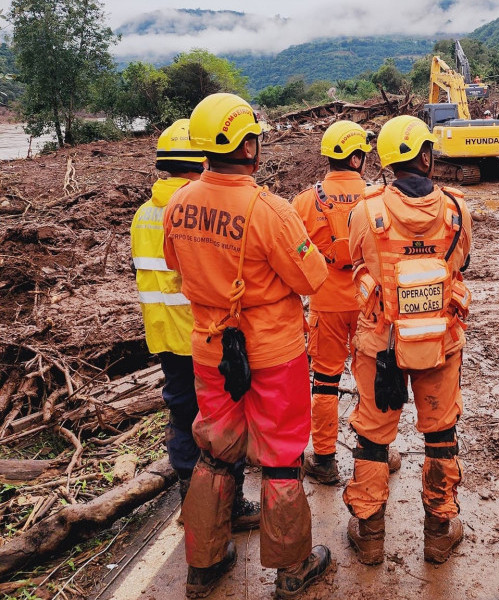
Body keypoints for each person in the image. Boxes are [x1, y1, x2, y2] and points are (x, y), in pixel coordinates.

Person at [162, 93, 332, 599]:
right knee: (281, 457)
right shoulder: (269, 210)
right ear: (248, 144)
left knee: (213, 452)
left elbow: (177, 265)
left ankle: (204, 564)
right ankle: (291, 568)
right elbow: (313, 278)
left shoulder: (178, 204)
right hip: (273, 353)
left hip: (211, 349)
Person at [343, 115, 472, 566]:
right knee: (441, 434)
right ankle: (438, 533)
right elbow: (463, 260)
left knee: (373, 436)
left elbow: (356, 257)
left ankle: (371, 534)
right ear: (424, 155)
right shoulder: (457, 209)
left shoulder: (367, 210)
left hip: (381, 344)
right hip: (439, 341)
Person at [130, 119, 259, 532]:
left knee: (182, 415)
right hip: (206, 336)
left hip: (164, 336)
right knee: (224, 423)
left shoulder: (143, 215)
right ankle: (230, 504)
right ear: (200, 160)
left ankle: (191, 500)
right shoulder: (195, 210)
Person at [291, 120, 401, 484]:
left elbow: (295, 255)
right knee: (373, 377)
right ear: (356, 158)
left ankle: (324, 459)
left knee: (325, 382)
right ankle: (378, 451)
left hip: (326, 302)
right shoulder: (379, 198)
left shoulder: (305, 202)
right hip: (369, 301)